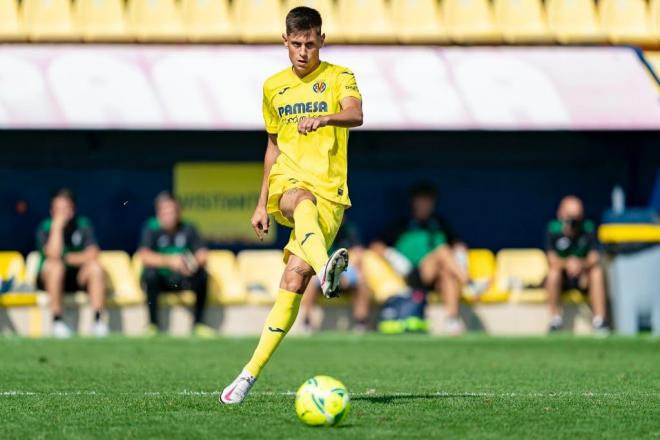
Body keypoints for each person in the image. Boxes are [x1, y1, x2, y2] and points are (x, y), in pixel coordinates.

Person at [220, 6, 363, 404]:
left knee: (293, 280)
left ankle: (248, 375)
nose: (303, 52)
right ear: (285, 41)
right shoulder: (272, 87)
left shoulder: (338, 76)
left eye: (310, 44)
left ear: (322, 40)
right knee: (300, 199)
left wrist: (327, 119)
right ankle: (326, 267)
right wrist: (261, 203)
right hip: (291, 183)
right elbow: (272, 146)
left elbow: (357, 114)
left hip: (332, 193)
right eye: (296, 44)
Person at [371, 183, 469, 335]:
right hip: (412, 273)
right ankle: (469, 282)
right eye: (421, 200)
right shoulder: (402, 224)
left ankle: (452, 320)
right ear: (413, 202)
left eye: (428, 201)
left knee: (448, 274)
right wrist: (394, 257)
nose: (425, 204)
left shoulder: (440, 224)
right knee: (442, 251)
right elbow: (376, 245)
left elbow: (457, 243)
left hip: (436, 277)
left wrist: (460, 252)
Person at [137, 192, 214, 337]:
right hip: (161, 279)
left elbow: (202, 253)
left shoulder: (188, 228)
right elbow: (144, 256)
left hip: (182, 279)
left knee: (203, 275)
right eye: (164, 212)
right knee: (150, 275)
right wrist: (170, 261)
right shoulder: (151, 228)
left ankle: (199, 324)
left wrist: (190, 264)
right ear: (158, 213)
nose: (168, 216)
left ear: (178, 212)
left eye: (172, 211)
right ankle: (153, 325)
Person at [36, 189, 108, 338]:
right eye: (58, 209)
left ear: (73, 209)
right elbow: (54, 255)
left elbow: (93, 253)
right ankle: (57, 321)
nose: (63, 213)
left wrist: (67, 258)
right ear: (52, 211)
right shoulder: (45, 227)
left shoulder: (83, 224)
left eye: (66, 208)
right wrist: (57, 227)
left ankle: (99, 322)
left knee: (95, 268)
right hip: (51, 279)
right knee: (55, 267)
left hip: (77, 277)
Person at [545, 195, 608, 334]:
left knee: (596, 271)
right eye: (570, 217)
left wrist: (580, 264)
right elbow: (552, 260)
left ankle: (600, 322)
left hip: (583, 277)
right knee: (553, 273)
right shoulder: (553, 229)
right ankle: (555, 320)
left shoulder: (588, 227)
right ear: (561, 214)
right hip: (563, 278)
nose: (573, 222)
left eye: (577, 217)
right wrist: (568, 263)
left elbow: (594, 257)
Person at [300, 219, 371, 333]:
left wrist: (342, 274)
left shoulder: (349, 229)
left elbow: (358, 254)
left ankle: (361, 322)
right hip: (323, 270)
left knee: (362, 282)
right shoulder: (319, 229)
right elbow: (313, 257)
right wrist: (333, 276)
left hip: (345, 270)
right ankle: (307, 322)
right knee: (310, 282)